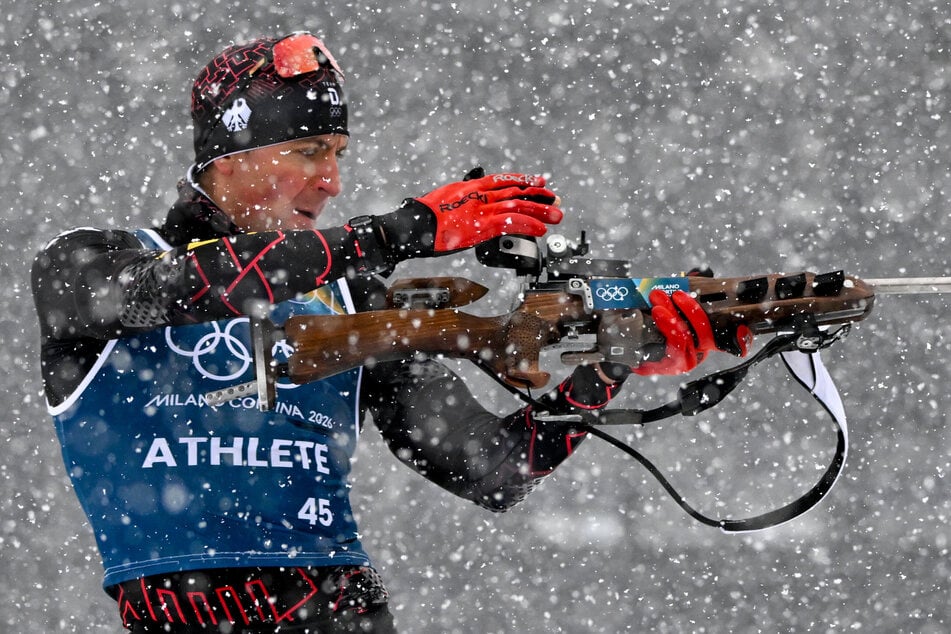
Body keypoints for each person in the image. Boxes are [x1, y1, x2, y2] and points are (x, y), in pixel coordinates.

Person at [31, 32, 732, 633]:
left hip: (336, 607)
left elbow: (488, 467)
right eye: (308, 149)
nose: (332, 180)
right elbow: (181, 288)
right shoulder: (85, 263)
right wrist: (407, 231)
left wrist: (607, 367)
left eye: (338, 151)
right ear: (229, 155)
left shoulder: (348, 291)